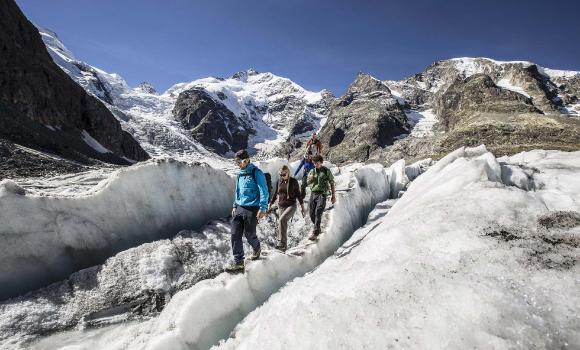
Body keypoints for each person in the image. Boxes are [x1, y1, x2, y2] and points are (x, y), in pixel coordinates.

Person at [225, 149, 269, 273]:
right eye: (236, 162)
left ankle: (257, 248)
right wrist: (234, 206)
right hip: (240, 207)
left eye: (239, 162)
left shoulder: (256, 172)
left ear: (246, 160)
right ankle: (239, 263)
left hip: (253, 208)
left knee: (249, 235)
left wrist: (263, 208)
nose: (237, 164)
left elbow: (264, 191)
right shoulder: (240, 174)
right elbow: (237, 191)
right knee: (234, 234)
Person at [268, 165, 305, 251]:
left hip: (291, 205)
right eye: (280, 174)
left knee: (282, 220)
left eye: (284, 174)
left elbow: (299, 195)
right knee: (281, 225)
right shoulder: (279, 181)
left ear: (288, 173)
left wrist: (302, 207)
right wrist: (271, 203)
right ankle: (283, 248)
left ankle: (283, 244)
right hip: (281, 206)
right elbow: (276, 194)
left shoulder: (293, 182)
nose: (282, 176)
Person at [307, 154, 336, 241]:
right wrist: (311, 179)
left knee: (318, 211)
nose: (316, 165)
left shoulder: (326, 171)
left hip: (322, 194)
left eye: (317, 163)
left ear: (321, 162)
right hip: (313, 193)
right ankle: (318, 228)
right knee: (311, 213)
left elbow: (331, 182)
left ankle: (315, 233)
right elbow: (308, 183)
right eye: (314, 163)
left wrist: (333, 195)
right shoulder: (312, 171)